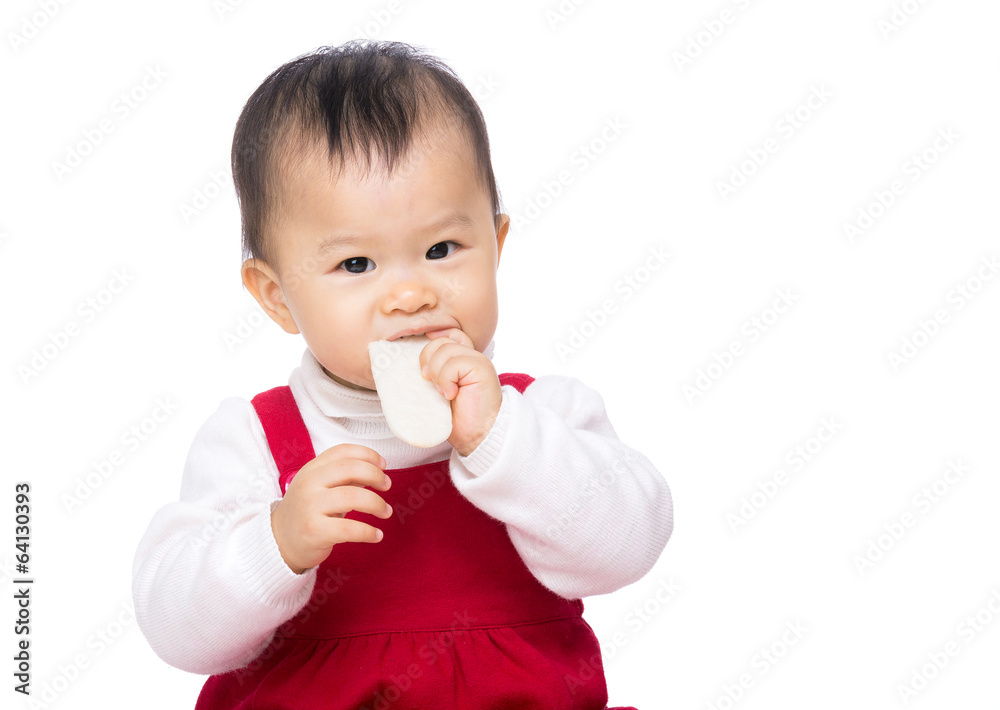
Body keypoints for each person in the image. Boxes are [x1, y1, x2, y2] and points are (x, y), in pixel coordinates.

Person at [132, 39, 673, 709]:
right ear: (277, 298)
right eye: (356, 265)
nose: (411, 294)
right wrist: (276, 542)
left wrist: (506, 443)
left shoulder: (544, 415)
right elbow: (176, 631)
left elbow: (631, 546)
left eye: (442, 249)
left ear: (496, 246)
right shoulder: (254, 442)